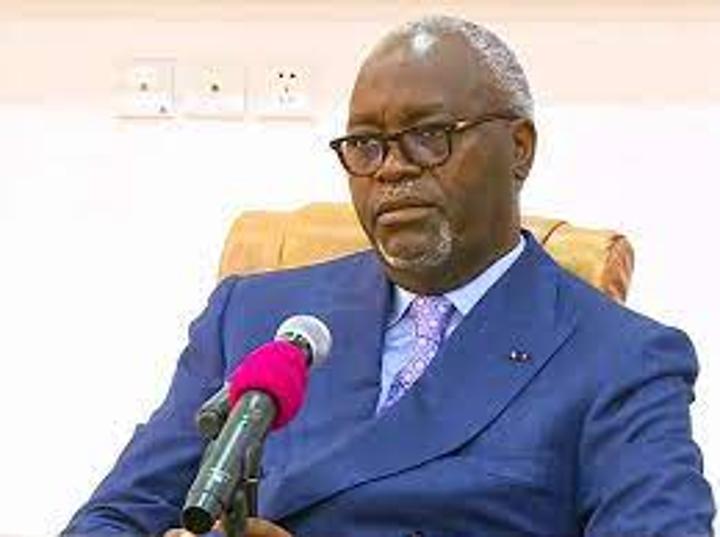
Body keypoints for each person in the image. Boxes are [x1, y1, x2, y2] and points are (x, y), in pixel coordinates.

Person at [64, 15, 715, 537]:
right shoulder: (257, 317)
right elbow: (113, 517)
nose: (391, 169)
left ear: (518, 149)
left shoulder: (619, 358)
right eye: (366, 145)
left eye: (429, 136)